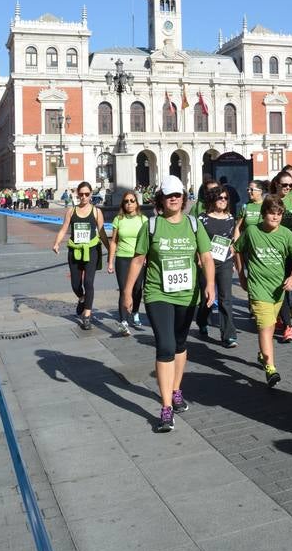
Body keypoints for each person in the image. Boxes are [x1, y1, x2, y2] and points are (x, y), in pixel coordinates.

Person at [122, 175, 215, 432]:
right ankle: (165, 408)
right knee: (165, 345)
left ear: (183, 198)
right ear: (161, 199)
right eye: (168, 195)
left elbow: (206, 258)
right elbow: (138, 261)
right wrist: (127, 293)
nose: (173, 199)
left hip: (187, 295)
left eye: (177, 195)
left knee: (180, 343)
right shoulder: (151, 226)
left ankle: (175, 389)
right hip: (157, 294)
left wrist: (209, 285)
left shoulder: (195, 225)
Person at [234, 195, 292, 387]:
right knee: (265, 327)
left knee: (271, 323)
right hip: (258, 288)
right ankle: (270, 368)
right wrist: (242, 275)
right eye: (272, 213)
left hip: (277, 289)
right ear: (263, 214)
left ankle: (262, 354)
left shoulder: (285, 234)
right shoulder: (251, 231)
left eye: (279, 214)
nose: (275, 217)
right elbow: (237, 249)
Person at [52, 181, 110, 330]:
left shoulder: (97, 212)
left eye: (87, 194)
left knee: (88, 283)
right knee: (76, 284)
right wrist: (57, 243)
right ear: (77, 194)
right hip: (75, 250)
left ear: (91, 194)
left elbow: (102, 232)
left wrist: (110, 249)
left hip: (91, 250)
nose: (84, 197)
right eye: (81, 194)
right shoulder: (71, 211)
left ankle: (87, 315)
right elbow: (64, 228)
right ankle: (82, 298)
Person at [196, 185, 237, 347]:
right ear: (213, 199)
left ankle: (228, 335)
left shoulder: (229, 218)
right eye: (220, 198)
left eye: (226, 198)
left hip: (225, 262)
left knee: (225, 298)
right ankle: (202, 320)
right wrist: (199, 257)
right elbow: (196, 241)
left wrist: (232, 255)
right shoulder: (202, 219)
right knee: (207, 297)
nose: (223, 201)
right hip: (206, 263)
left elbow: (230, 238)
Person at [107, 190, 148, 335]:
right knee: (124, 289)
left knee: (137, 289)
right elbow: (114, 242)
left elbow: (148, 242)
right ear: (123, 204)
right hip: (122, 258)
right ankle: (124, 321)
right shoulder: (118, 219)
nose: (129, 204)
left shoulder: (143, 220)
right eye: (126, 201)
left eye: (132, 201)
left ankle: (135, 311)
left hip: (138, 258)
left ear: (137, 203)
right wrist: (110, 262)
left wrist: (147, 258)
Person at [270, 170, 292, 342]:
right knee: (282, 285)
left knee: (290, 283)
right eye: (285, 185)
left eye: (291, 184)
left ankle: (285, 319)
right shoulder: (270, 201)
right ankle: (287, 325)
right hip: (275, 249)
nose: (289, 187)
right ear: (277, 184)